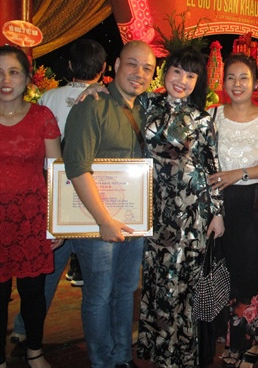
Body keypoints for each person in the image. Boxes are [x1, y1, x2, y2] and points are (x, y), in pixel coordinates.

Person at [62, 40, 156, 368]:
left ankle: (121, 356)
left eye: (147, 69)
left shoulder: (147, 109)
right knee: (99, 294)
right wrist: (103, 219)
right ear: (116, 65)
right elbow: (77, 167)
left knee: (125, 290)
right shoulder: (92, 106)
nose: (139, 73)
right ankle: (101, 361)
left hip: (134, 221)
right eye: (132, 64)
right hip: (96, 221)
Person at [10, 39, 107, 344]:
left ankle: (23, 329)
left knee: (48, 269)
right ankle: (97, 340)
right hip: (94, 194)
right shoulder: (106, 98)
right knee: (96, 279)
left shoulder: (48, 98)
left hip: (53, 193)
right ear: (104, 67)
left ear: (69, 66)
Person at [136, 47, 225, 367]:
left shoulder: (201, 118)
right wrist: (94, 91)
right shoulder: (146, 104)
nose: (182, 80)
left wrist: (217, 213)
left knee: (183, 284)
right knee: (158, 281)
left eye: (190, 75)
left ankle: (181, 355)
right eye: (177, 71)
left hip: (190, 213)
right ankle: (160, 349)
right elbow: (116, 95)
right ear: (165, 72)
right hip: (153, 209)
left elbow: (212, 167)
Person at [207, 54, 258, 368]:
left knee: (250, 270)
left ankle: (249, 341)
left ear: (255, 83)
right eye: (231, 78)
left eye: (243, 78)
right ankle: (229, 337)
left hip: (253, 202)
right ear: (223, 82)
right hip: (217, 203)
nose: (237, 84)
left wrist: (239, 173)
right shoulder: (212, 115)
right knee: (222, 269)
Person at [0, 45, 61, 368]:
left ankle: (34, 351)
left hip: (31, 218)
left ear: (27, 78)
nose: (6, 80)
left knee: (33, 293)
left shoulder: (42, 117)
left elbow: (56, 171)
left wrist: (57, 221)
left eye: (13, 72)